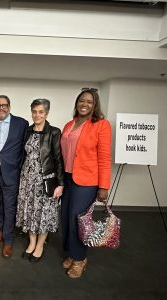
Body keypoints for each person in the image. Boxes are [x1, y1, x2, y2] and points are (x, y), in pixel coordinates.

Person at [60, 88, 112, 278]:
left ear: (95, 105)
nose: (85, 104)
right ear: (77, 103)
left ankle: (80, 259)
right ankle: (71, 254)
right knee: (65, 216)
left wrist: (103, 186)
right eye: (82, 101)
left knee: (78, 219)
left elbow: (104, 158)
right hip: (67, 178)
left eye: (89, 102)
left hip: (86, 181)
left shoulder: (101, 125)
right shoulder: (69, 124)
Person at [16, 99, 64, 263]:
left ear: (47, 113)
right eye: (34, 111)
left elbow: (58, 159)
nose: (37, 115)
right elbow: (24, 155)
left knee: (43, 214)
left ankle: (40, 245)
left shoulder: (54, 132)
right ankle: (32, 242)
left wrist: (60, 184)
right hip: (27, 181)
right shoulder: (28, 131)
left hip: (45, 182)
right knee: (29, 212)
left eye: (41, 112)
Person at [0, 95, 29, 258]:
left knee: (9, 207)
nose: (1, 108)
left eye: (4, 105)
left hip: (12, 173)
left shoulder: (21, 124)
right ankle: (0, 230)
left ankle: (8, 240)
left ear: (9, 107)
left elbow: (26, 148)